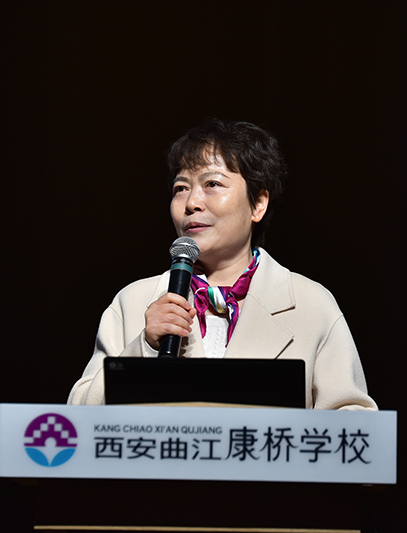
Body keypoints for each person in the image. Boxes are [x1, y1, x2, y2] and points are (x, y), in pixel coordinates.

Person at [68, 119, 377, 410]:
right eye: (181, 188)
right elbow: (80, 417)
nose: (192, 203)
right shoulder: (134, 301)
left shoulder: (312, 304)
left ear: (258, 204)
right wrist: (145, 348)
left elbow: (353, 421)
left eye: (212, 184)